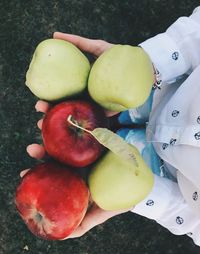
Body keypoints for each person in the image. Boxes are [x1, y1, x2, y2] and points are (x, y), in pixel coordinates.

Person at [22, 6, 200, 245]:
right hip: (153, 90)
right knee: (99, 116)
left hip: (154, 172)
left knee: (84, 142)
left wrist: (142, 195)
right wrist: (148, 64)